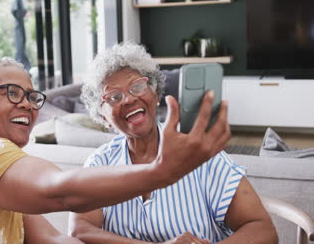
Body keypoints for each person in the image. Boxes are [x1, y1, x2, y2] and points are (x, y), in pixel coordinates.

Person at [0, 56, 231, 244]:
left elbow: (56, 241)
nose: (28, 105)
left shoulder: (3, 182)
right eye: (12, 93)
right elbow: (60, 193)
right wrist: (160, 173)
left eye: (32, 96)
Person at [70, 43, 278, 244]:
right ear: (103, 117)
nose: (128, 99)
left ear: (156, 94)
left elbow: (262, 230)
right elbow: (80, 230)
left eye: (137, 86)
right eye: (114, 96)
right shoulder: (100, 163)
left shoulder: (199, 154)